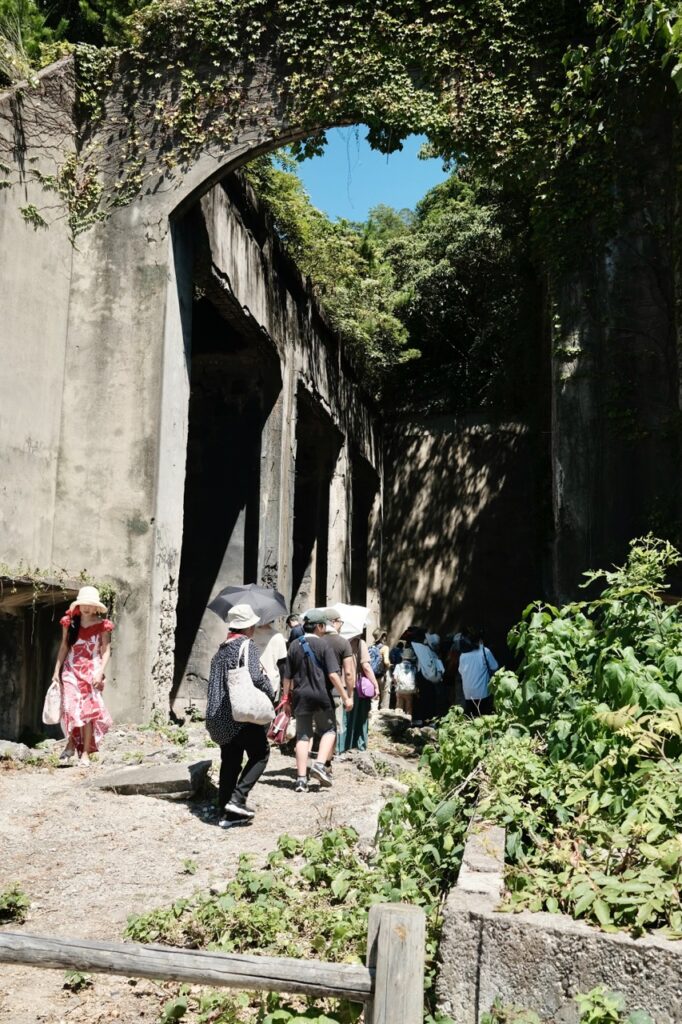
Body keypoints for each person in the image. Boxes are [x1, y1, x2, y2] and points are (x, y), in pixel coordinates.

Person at [206, 604, 276, 828]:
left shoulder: (221, 650)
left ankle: (225, 812)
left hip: (219, 716)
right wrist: (270, 691)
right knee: (261, 753)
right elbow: (255, 678)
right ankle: (238, 799)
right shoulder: (246, 645)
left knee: (231, 761)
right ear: (248, 627)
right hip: (240, 715)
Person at [281, 610, 352, 792]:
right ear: (319, 626)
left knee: (303, 736)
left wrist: (286, 699)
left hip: (300, 697)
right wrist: (345, 696)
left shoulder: (294, 645)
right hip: (321, 696)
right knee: (329, 730)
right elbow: (333, 675)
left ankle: (300, 780)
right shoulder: (323, 645)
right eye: (324, 626)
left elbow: (287, 677)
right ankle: (319, 765)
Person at [52, 586, 114, 767]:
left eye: (90, 604)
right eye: (83, 603)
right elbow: (64, 646)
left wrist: (100, 672)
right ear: (79, 605)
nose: (87, 607)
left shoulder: (103, 625)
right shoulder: (69, 623)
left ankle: (85, 752)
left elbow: (106, 651)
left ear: (96, 607)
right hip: (70, 669)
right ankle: (71, 744)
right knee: (71, 709)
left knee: (87, 713)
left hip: (91, 672)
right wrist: (56, 671)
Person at [323, 608, 356, 755]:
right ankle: (329, 758)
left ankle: (316, 755)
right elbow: (348, 673)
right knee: (334, 727)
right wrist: (349, 695)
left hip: (316, 689)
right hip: (335, 692)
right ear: (334, 622)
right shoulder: (343, 643)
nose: (341, 625)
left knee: (317, 726)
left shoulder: (315, 640)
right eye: (340, 622)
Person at [339, 631, 378, 752]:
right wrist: (376, 685)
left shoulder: (338, 641)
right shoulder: (360, 643)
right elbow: (366, 666)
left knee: (342, 719)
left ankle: (340, 747)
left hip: (338, 685)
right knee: (360, 717)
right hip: (354, 686)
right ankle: (358, 746)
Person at [459, 628, 498, 717]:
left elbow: (461, 671)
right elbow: (495, 667)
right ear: (479, 640)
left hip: (468, 694)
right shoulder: (485, 651)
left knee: (472, 718)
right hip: (483, 693)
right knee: (484, 717)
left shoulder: (463, 655)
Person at [253, 618, 288, 700]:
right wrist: (284, 688)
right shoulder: (278, 636)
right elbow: (282, 664)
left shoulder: (250, 634)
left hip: (252, 682)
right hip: (272, 682)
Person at [369, 628, 391, 709]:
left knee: (375, 695)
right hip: (382, 676)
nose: (385, 638)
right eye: (384, 636)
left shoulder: (370, 648)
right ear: (381, 637)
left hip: (372, 676)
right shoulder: (385, 648)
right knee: (385, 694)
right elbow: (386, 661)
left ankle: (373, 712)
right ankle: (384, 711)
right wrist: (390, 665)